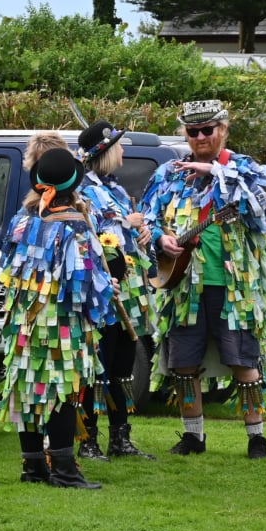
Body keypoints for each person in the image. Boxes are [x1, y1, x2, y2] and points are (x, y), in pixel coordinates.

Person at [139, 99, 266, 459]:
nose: (200, 137)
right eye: (192, 131)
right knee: (184, 364)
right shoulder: (168, 173)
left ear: (224, 129)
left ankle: (257, 438)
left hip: (234, 288)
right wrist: (160, 239)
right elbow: (147, 217)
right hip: (183, 286)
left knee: (243, 362)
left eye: (207, 130)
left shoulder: (246, 169)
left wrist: (216, 173)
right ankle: (193, 436)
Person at [0, 143, 118, 489]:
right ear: (73, 186)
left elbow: (8, 270)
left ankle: (34, 467)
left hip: (24, 319)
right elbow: (84, 285)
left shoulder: (22, 222)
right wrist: (104, 286)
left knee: (28, 387)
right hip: (62, 319)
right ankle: (64, 470)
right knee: (62, 389)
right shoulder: (76, 226)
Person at [73, 118, 158, 462]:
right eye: (119, 145)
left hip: (130, 291)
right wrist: (126, 223)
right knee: (99, 363)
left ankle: (120, 438)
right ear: (105, 152)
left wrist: (144, 233)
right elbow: (89, 230)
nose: (124, 150)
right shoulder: (85, 190)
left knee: (124, 364)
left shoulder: (117, 189)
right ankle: (88, 439)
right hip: (105, 292)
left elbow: (128, 233)